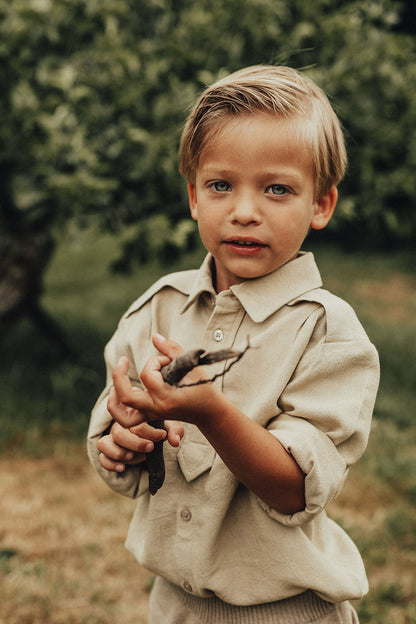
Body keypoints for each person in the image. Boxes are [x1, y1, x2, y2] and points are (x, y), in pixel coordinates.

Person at [87, 65, 380, 623]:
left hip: (287, 611)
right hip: (173, 604)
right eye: (222, 185)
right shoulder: (158, 308)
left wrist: (213, 415)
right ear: (195, 197)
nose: (245, 210)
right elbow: (112, 439)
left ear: (321, 204)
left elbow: (294, 489)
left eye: (277, 189)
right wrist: (121, 435)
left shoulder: (326, 331)